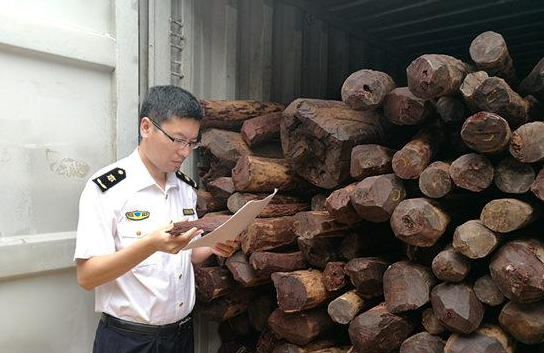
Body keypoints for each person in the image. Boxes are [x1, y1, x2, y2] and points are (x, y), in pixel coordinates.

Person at [74, 85, 237, 353]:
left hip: (181, 335)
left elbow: (186, 252)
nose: (185, 152)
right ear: (146, 127)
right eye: (178, 140)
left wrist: (213, 245)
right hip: (130, 340)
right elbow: (87, 276)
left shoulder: (184, 187)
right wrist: (150, 244)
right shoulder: (107, 188)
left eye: (192, 143)